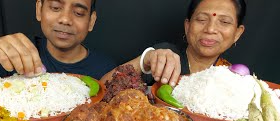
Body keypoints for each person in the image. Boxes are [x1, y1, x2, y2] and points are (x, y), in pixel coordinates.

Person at [0, 0, 116, 87]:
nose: (65, 19)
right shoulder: (15, 54)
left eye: (79, 13)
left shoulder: (107, 69)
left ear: (91, 21)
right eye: (55, 7)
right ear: (39, 9)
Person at [101, 0, 246, 87]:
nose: (210, 29)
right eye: (201, 20)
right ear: (188, 26)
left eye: (224, 22)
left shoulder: (232, 79)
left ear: (237, 34)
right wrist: (145, 59)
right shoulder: (164, 55)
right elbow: (104, 86)